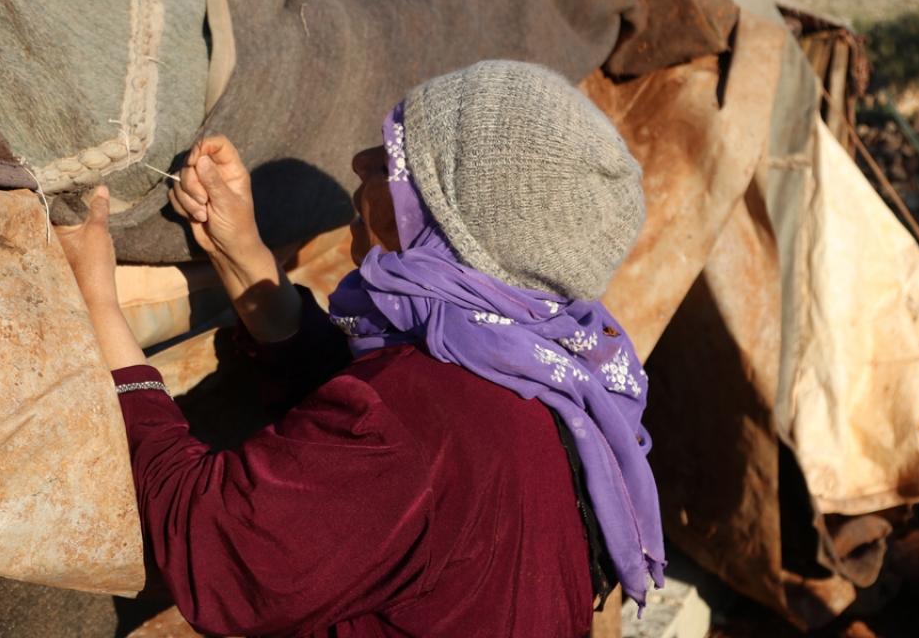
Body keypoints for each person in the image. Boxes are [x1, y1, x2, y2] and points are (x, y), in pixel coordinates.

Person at [55, 60, 665, 637]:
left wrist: (99, 308)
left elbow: (215, 548)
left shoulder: (425, 420)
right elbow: (365, 436)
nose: (359, 160)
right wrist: (241, 257)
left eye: (394, 162)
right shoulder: (547, 376)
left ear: (445, 225)